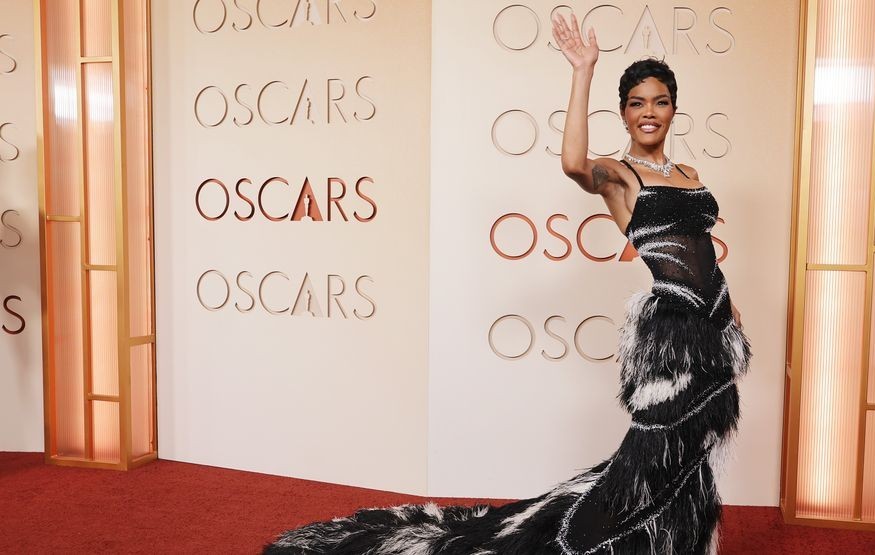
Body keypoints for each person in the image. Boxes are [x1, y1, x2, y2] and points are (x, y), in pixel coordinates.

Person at [264, 13, 751, 555]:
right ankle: (603, 540)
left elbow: (705, 255)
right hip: (672, 336)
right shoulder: (618, 175)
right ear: (623, 113)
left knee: (697, 446)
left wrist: (731, 316)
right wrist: (583, 71)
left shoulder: (689, 175)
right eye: (636, 103)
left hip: (714, 328)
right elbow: (571, 163)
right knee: (656, 448)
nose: (648, 113)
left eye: (658, 101)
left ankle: (682, 541)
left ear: (674, 108)